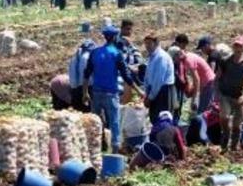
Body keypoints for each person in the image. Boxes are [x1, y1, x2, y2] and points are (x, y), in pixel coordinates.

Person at [85, 25, 142, 153]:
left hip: (96, 92)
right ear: (115, 37)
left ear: (105, 37)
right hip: (111, 93)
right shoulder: (116, 54)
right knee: (114, 122)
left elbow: (87, 73)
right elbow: (126, 76)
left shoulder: (95, 52)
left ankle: (93, 147)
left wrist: (85, 92)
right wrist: (139, 90)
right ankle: (115, 150)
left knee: (95, 122)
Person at [216, 36, 243, 151]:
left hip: (238, 96)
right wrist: (217, 92)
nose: (237, 48)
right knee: (225, 117)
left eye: (240, 46)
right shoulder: (225, 61)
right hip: (225, 94)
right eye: (236, 46)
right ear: (233, 47)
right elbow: (217, 77)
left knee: (237, 125)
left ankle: (234, 148)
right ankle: (225, 138)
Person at [142, 34, 177, 124]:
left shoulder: (161, 57)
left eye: (149, 43)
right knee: (154, 118)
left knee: (163, 119)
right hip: (154, 91)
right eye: (146, 43)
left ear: (156, 43)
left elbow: (158, 80)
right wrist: (146, 94)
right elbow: (147, 76)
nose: (147, 46)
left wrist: (150, 98)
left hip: (163, 91)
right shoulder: (151, 57)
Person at [179, 47, 216, 113]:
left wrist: (194, 98)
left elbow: (196, 79)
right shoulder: (187, 57)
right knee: (203, 108)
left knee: (204, 110)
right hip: (206, 82)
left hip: (209, 82)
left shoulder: (188, 60)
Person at [68, 30, 96, 111]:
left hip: (74, 90)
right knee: (89, 113)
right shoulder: (88, 57)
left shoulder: (74, 58)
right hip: (87, 89)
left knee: (78, 113)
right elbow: (89, 76)